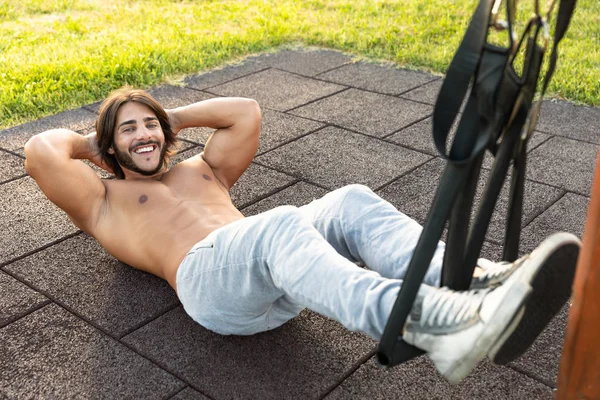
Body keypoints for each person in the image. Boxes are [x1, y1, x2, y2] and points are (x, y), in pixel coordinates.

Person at [24, 88, 580, 384]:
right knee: (282, 222)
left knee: (351, 199)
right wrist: (103, 139)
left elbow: (245, 112)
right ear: (109, 145)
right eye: (130, 130)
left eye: (150, 126)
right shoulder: (102, 202)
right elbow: (41, 151)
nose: (144, 135)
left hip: (278, 275)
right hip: (210, 289)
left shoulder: (203, 170)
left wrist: (164, 117)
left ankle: (472, 280)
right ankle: (424, 320)